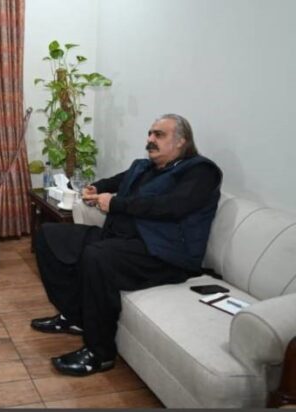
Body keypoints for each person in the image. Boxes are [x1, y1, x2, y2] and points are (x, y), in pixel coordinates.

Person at [30, 114, 222, 376]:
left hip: (162, 255)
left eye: (159, 135)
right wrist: (94, 188)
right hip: (121, 241)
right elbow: (115, 182)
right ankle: (74, 316)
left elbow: (171, 206)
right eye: (150, 133)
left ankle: (100, 354)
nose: (150, 139)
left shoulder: (201, 172)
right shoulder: (144, 167)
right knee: (49, 235)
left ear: (181, 141)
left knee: (96, 256)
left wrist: (116, 203)